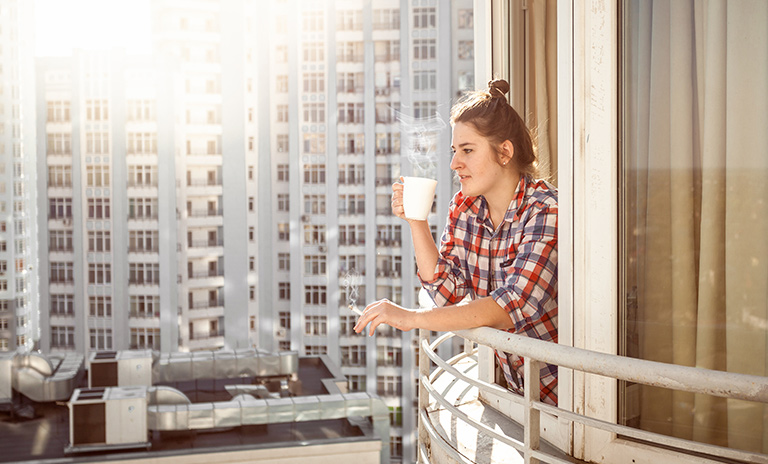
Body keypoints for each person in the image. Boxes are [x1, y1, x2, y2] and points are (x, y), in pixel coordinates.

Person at [353, 79, 558, 405]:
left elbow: (509, 309)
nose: (454, 164)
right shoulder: (465, 207)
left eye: (467, 150)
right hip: (515, 398)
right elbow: (447, 293)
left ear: (504, 151)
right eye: (454, 151)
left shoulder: (545, 211)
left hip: (567, 405)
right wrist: (416, 221)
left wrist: (409, 318)